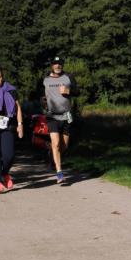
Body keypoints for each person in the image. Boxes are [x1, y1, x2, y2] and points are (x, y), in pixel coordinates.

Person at [43, 56, 72, 184]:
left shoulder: (68, 77)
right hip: (52, 116)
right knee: (55, 143)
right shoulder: (45, 79)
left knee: (64, 146)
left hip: (66, 116)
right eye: (55, 64)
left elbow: (78, 92)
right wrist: (41, 99)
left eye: (59, 63)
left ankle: (51, 155)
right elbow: (38, 92)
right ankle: (59, 172)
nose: (57, 66)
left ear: (62, 65)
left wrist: (68, 91)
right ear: (52, 66)